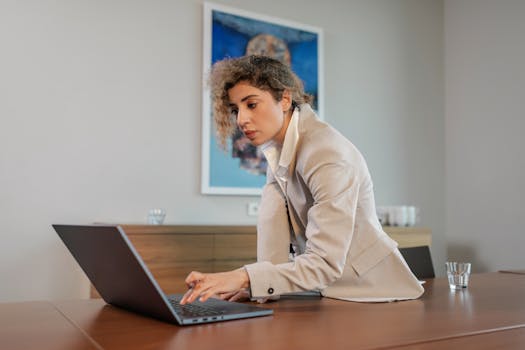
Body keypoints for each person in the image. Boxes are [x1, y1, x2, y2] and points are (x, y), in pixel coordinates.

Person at [180, 55, 423, 305]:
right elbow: (272, 234)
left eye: (251, 104)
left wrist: (244, 278)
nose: (241, 120)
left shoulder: (326, 153)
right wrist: (260, 288)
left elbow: (325, 262)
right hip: (327, 292)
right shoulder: (280, 149)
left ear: (284, 99)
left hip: (371, 293)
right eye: (235, 110)